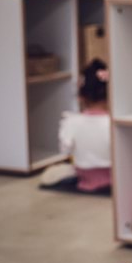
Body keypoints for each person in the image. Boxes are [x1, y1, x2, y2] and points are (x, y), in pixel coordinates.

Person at [40, 59, 111, 192]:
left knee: (54, 172)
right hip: (112, 174)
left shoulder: (71, 121)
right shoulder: (112, 123)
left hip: (84, 173)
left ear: (80, 96)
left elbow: (65, 150)